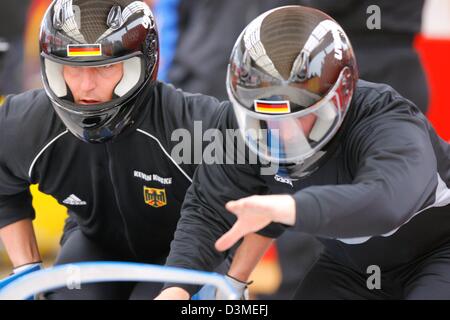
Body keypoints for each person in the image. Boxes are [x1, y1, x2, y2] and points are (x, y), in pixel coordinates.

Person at [157, 6, 450, 300]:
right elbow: (209, 208)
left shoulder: (388, 119)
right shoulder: (245, 124)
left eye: (298, 116)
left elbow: (386, 202)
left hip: (438, 252)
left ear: (339, 96)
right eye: (266, 118)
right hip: (352, 267)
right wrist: (182, 288)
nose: (282, 133)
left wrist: (287, 209)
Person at [0, 0, 253, 299]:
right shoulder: (25, 122)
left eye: (105, 67)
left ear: (142, 64)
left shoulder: (196, 124)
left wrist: (232, 283)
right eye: (71, 68)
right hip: (95, 242)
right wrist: (26, 269)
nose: (86, 86)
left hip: (188, 251)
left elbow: (257, 198)